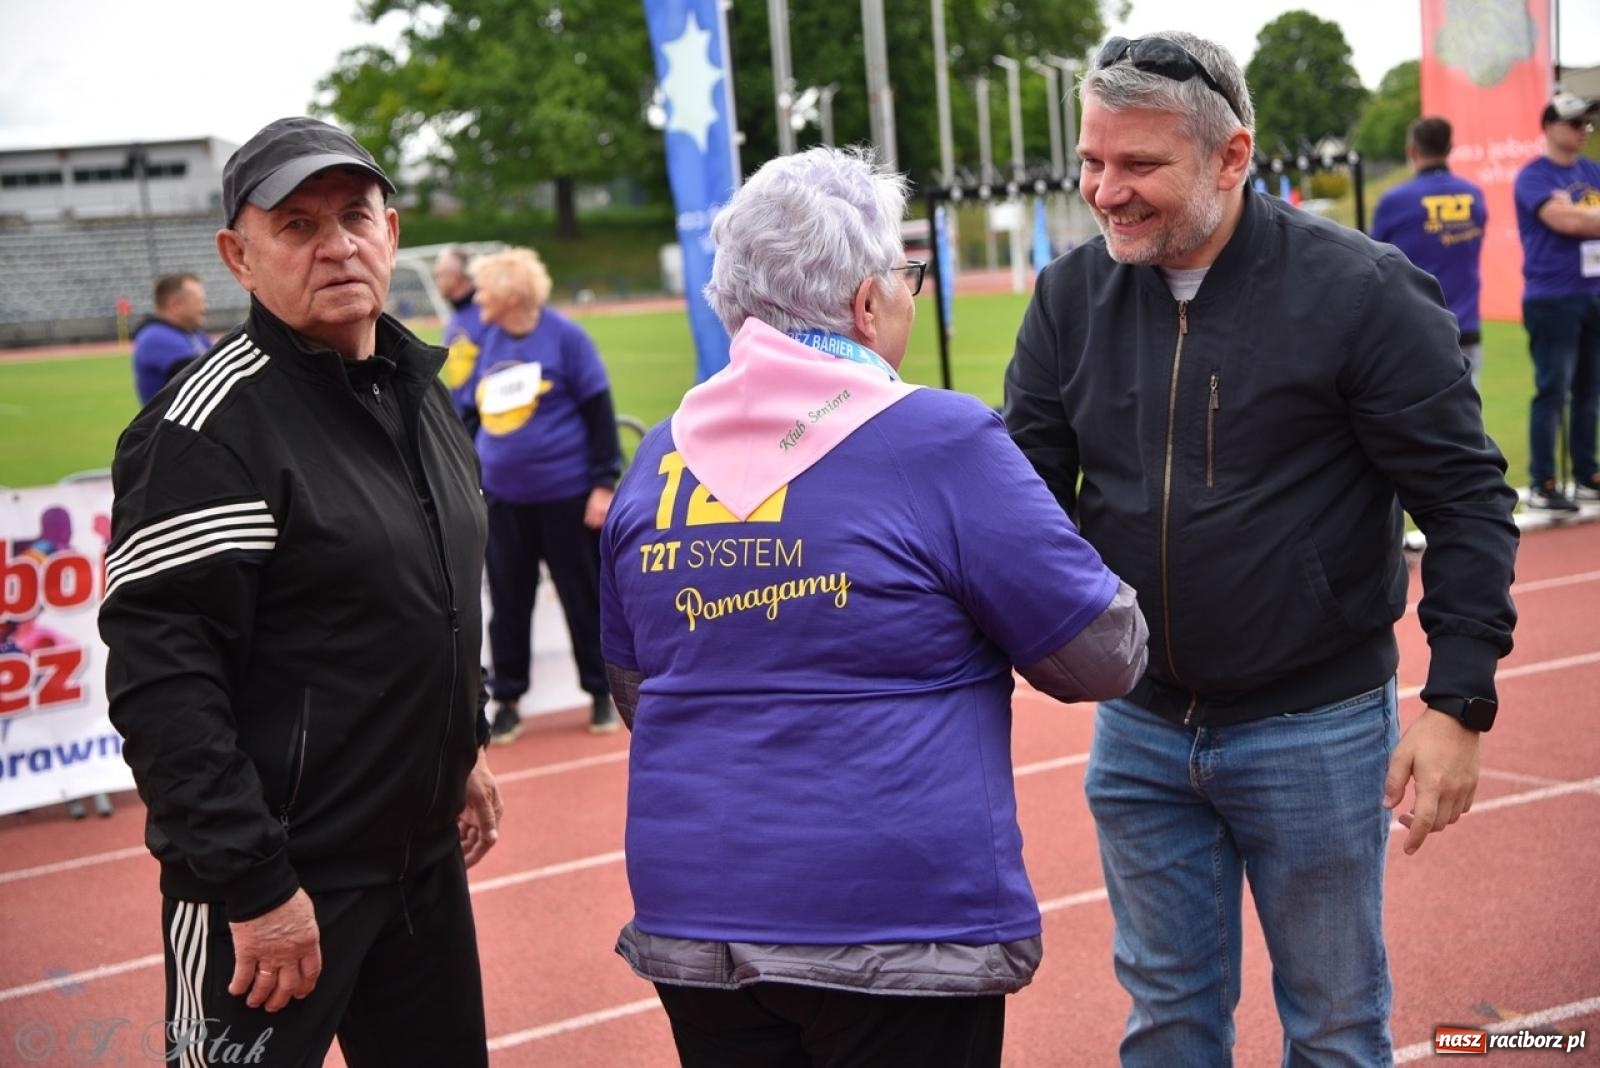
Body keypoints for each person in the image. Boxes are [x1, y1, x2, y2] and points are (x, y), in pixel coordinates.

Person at [1003, 32, 1519, 1065]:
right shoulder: (1069, 296)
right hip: (1140, 731)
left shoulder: (1362, 291)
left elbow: (1465, 499)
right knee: (1166, 1024)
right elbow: (1020, 501)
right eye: (1092, 162)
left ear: (1231, 157)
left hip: (1315, 729)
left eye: (1138, 165)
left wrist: (1458, 700)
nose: (1106, 192)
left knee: (1333, 1025)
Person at [600, 146, 1149, 1068]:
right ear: (865, 302)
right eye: (907, 275)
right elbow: (1101, 655)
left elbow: (635, 687)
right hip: (894, 913)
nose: (910, 294)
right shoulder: (936, 439)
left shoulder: (657, 454)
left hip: (696, 909)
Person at [98, 116, 501, 1067]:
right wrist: (254, 884)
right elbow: (165, 687)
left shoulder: (416, 391)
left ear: (391, 233)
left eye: (355, 216)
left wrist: (463, 742)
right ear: (239, 256)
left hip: (420, 865)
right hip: (281, 888)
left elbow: (433, 593)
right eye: (298, 225)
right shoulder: (204, 433)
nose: (337, 245)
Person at [468, 246, 623, 740]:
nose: (477, 297)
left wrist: (603, 484)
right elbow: (465, 413)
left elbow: (600, 411)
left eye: (485, 289)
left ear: (511, 295)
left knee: (584, 599)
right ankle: (508, 699)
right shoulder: (483, 341)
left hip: (566, 495)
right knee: (508, 604)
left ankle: (601, 693)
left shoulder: (567, 339)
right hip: (503, 499)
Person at [1513, 90, 1600, 512]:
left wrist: (1583, 217)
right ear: (1548, 126)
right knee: (1553, 390)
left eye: (1586, 122)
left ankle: (1587, 472)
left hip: (1593, 293)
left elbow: (1577, 218)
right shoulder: (1533, 176)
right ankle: (1543, 482)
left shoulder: (1591, 170)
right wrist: (1581, 217)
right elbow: (1563, 221)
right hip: (1552, 297)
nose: (1583, 129)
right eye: (1574, 122)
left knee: (1590, 390)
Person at [1372, 116, 1487, 383]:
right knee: (1468, 416)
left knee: (1419, 418)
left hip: (1416, 329)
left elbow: (1373, 261)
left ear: (1412, 150)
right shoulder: (1473, 194)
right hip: (1466, 325)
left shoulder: (1395, 201)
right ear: (1449, 148)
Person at [130, 272, 211, 403]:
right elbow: (206, 378)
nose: (205, 307)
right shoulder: (156, 337)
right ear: (175, 304)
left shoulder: (194, 332)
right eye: (200, 301)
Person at [434, 245, 487, 433]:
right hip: (463, 425)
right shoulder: (455, 318)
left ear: (455, 277)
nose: (436, 280)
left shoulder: (485, 314)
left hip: (482, 426)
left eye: (439, 274)